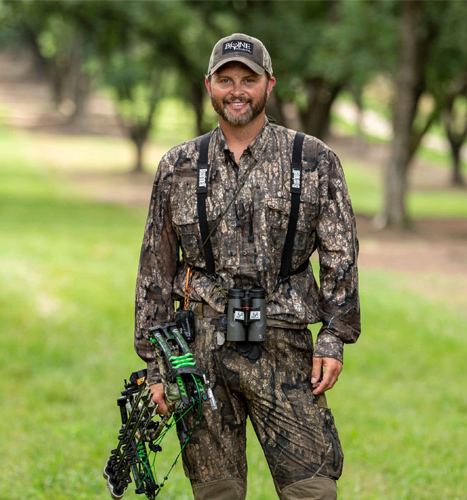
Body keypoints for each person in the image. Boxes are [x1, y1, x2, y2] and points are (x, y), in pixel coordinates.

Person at [134, 33, 360, 500]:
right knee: (217, 493)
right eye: (225, 80)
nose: (237, 91)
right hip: (198, 352)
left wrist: (333, 338)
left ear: (269, 85)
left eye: (248, 80)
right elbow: (155, 270)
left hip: (287, 350)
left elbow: (340, 254)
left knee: (313, 492)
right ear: (209, 86)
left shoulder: (314, 161)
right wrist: (156, 365)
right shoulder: (178, 166)